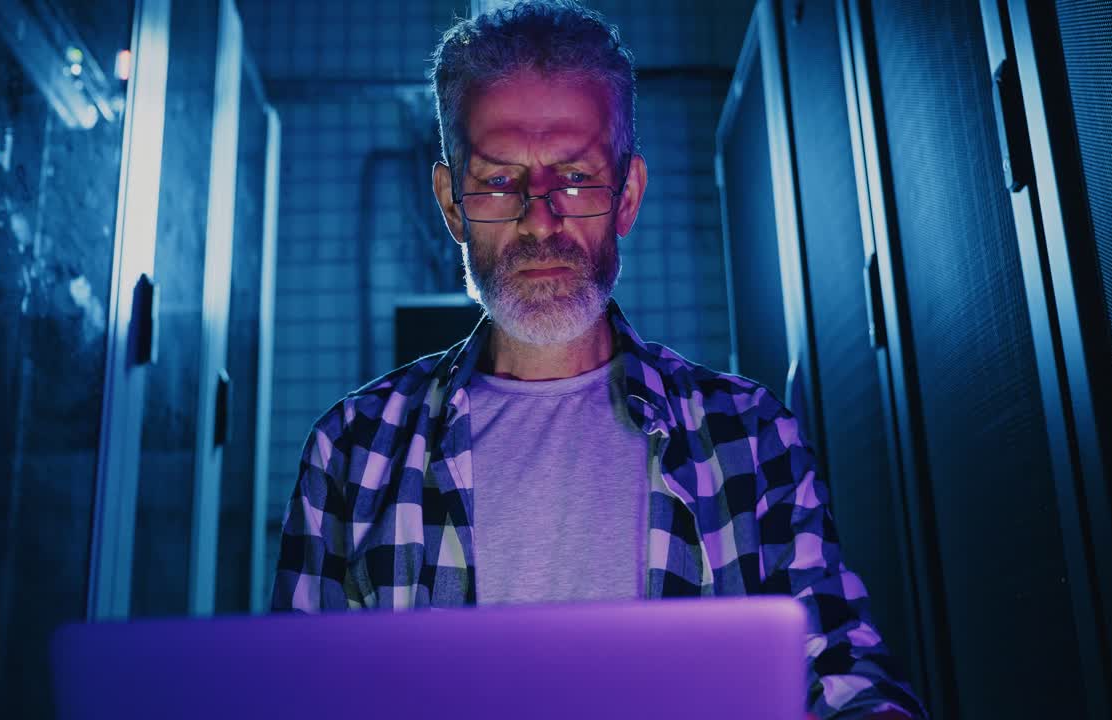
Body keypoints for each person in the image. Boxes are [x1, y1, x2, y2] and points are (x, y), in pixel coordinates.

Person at [272, 2, 926, 718]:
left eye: (576, 179)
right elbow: (299, 697)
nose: (539, 219)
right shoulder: (353, 447)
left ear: (627, 197)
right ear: (452, 204)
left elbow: (844, 676)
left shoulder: (747, 433)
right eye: (497, 181)